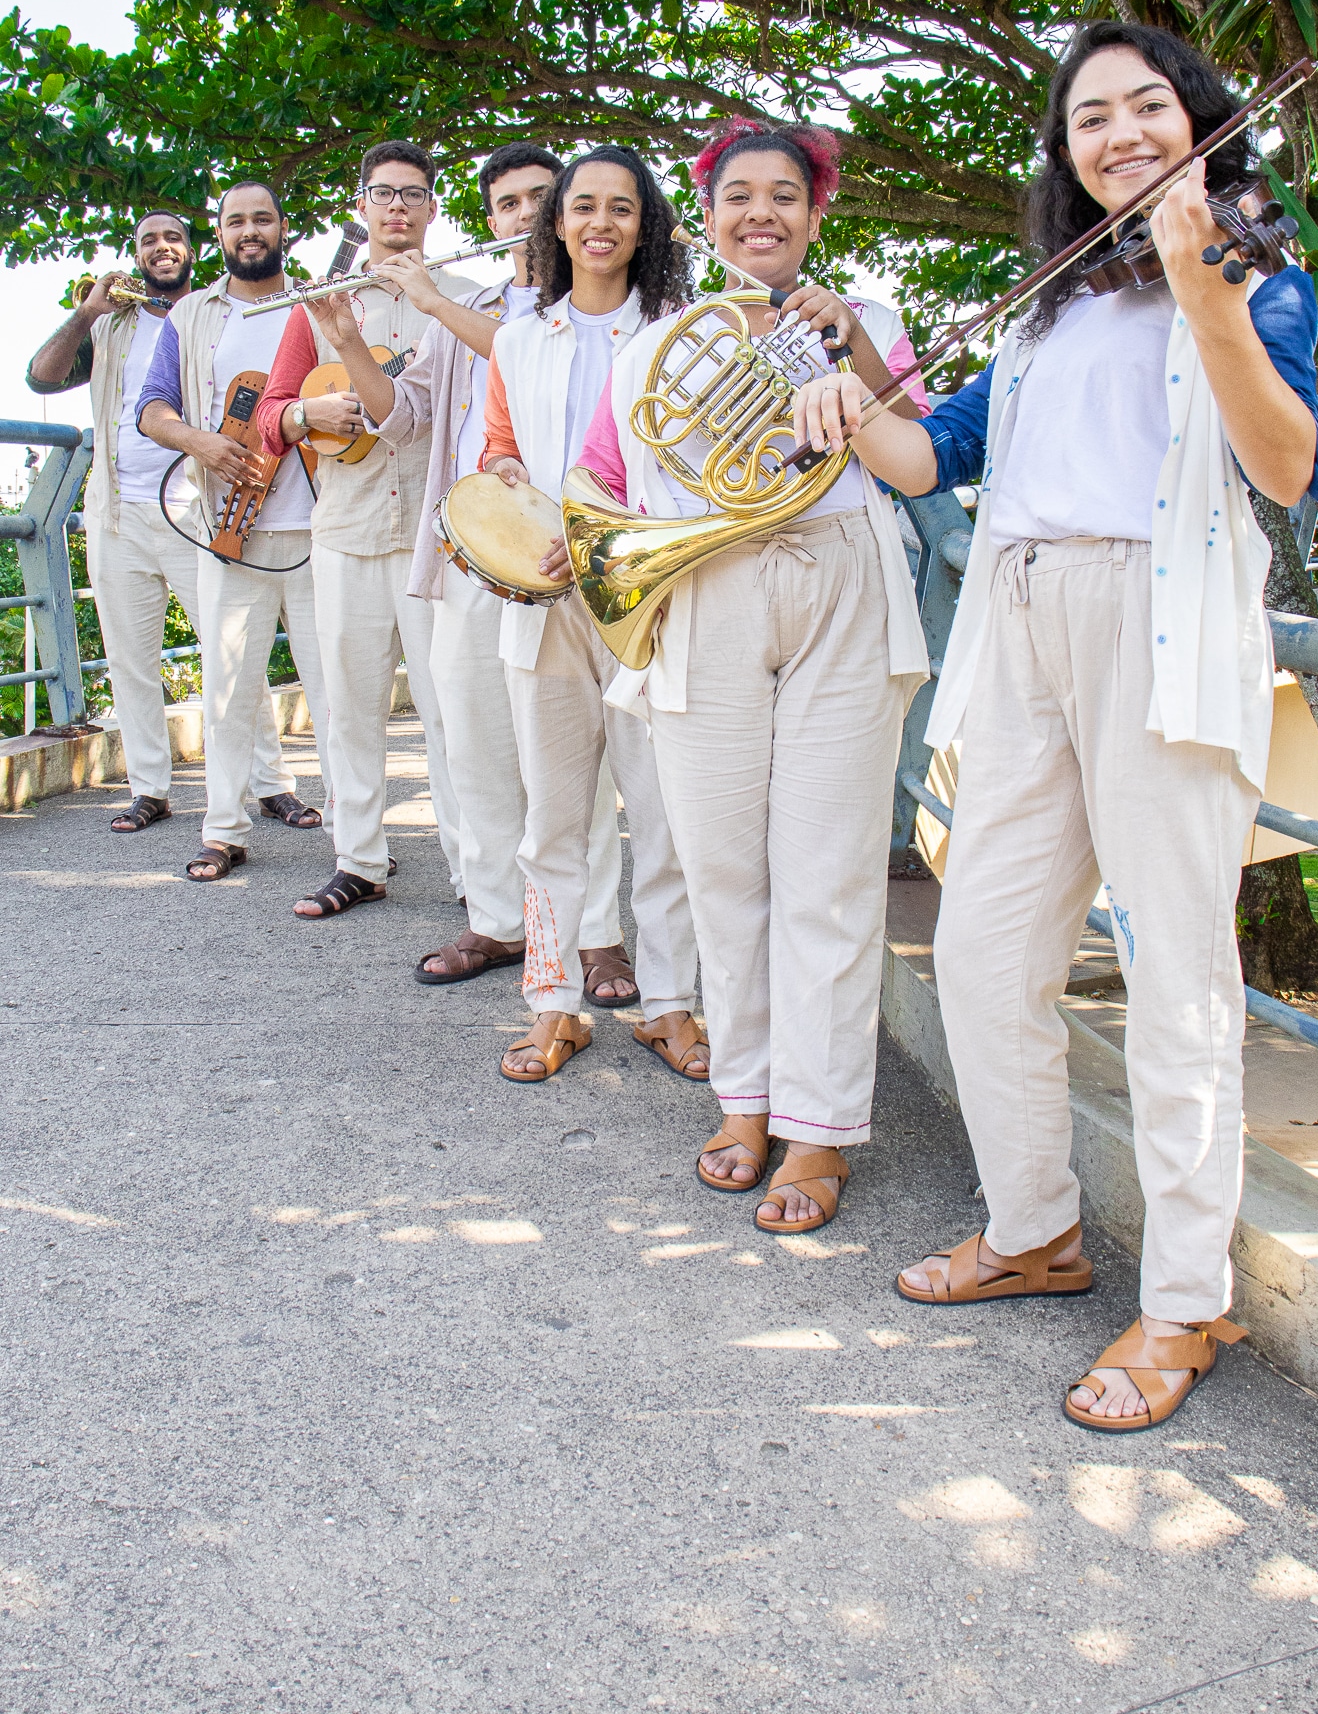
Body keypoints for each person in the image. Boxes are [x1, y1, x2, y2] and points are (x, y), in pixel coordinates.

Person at [792, 22, 1318, 1426]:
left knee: (1178, 983)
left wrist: (1197, 291)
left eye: (1146, 106)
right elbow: (928, 455)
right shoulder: (1046, 307)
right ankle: (1033, 1229)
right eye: (1089, 118)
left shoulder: (1256, 272)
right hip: (1022, 629)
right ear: (1066, 154)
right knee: (981, 956)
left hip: (1152, 632)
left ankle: (1184, 1309)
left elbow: (1285, 469)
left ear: (1198, 118)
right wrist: (852, 401)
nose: (1119, 135)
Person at [569, 118, 929, 1233]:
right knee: (723, 866)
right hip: (704, 589)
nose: (761, 213)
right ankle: (747, 1097)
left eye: (785, 195)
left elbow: (918, 446)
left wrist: (846, 353)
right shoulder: (651, 346)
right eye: (739, 196)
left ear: (817, 215)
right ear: (709, 213)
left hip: (838, 587)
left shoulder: (864, 321)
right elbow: (599, 479)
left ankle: (820, 1129)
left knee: (825, 870)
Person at [302, 142, 629, 992]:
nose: (523, 217)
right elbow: (400, 420)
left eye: (538, 200)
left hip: (571, 556)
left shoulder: (592, 311)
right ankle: (494, 920)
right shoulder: (467, 298)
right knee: (474, 747)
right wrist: (346, 339)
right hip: (467, 557)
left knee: (571, 758)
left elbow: (520, 353)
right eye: (508, 205)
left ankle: (595, 934)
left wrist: (428, 299)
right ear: (489, 220)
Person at [481, 145, 705, 1084]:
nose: (600, 223)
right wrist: (506, 501)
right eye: (583, 207)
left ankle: (670, 1006)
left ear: (646, 224)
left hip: (651, 602)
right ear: (557, 224)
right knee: (553, 820)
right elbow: (498, 452)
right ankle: (552, 1006)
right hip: (545, 601)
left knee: (664, 814)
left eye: (622, 207)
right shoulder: (516, 336)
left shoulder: (687, 332)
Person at [257, 141, 476, 921]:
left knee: (451, 707)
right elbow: (269, 412)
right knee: (347, 706)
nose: (396, 208)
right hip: (346, 529)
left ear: (432, 209)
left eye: (412, 194)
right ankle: (358, 861)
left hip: (436, 531)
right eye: (381, 193)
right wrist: (300, 413)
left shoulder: (468, 296)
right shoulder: (315, 305)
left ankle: (470, 867)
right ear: (360, 206)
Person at [26, 214, 292, 833]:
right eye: (148, 241)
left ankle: (271, 783)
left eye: (172, 239)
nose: (161, 249)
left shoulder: (208, 316)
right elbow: (41, 374)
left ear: (193, 250)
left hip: (193, 509)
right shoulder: (114, 325)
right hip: (116, 512)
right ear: (136, 256)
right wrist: (87, 313)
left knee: (233, 649)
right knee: (130, 658)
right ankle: (150, 787)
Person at [136, 179, 335, 882]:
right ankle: (223, 830)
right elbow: (152, 409)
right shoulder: (190, 315)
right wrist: (202, 443)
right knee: (225, 691)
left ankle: (357, 838)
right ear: (219, 235)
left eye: (261, 219)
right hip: (230, 532)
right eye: (233, 221)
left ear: (285, 228)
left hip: (322, 531)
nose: (248, 231)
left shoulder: (322, 302)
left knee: (337, 690)